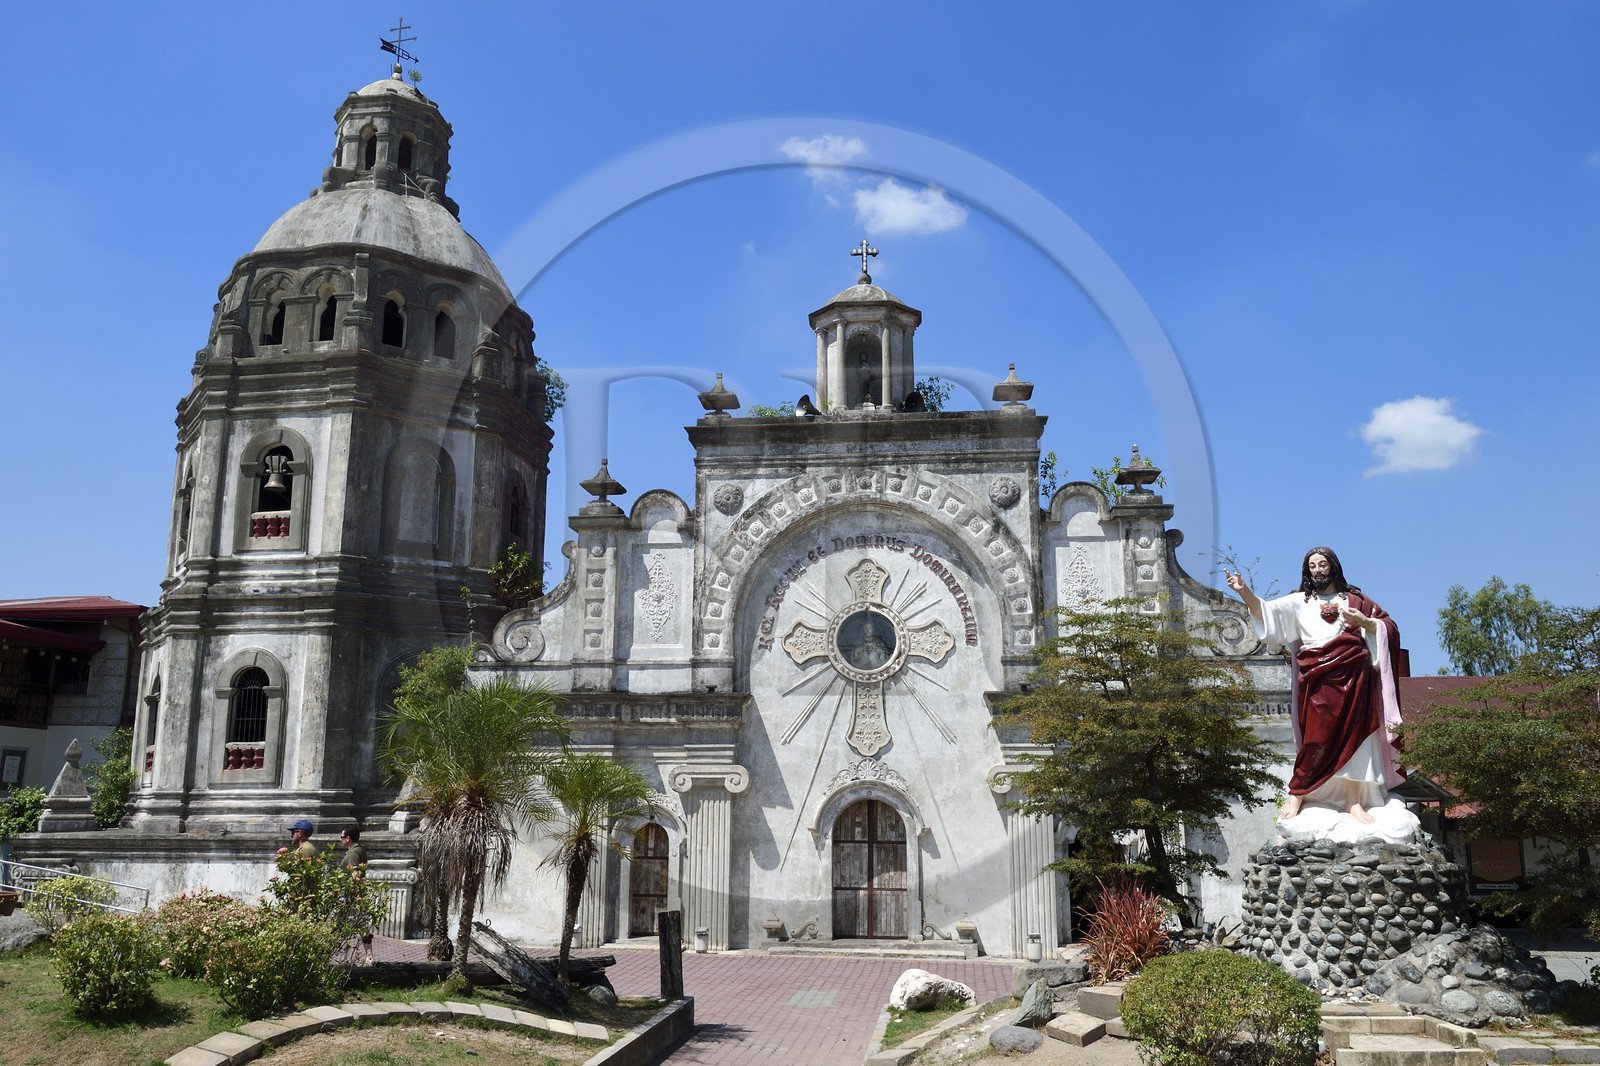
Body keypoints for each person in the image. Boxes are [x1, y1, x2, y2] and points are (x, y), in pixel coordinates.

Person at [1225, 547, 1404, 825]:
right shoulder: (1300, 602)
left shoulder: (1354, 599)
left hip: (1355, 678)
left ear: (1333, 566)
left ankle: (1353, 801)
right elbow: (1267, 613)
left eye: (1323, 564)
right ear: (1307, 571)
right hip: (1318, 679)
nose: (1318, 570)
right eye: (1313, 566)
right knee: (1315, 739)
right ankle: (1299, 792)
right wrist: (1243, 591)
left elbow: (1387, 626)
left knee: (1356, 741)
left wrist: (1365, 622)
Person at [340, 825, 375, 963]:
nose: (340, 840)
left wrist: (356, 894)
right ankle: (369, 956)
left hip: (351, 893)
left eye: (342, 837)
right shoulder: (359, 849)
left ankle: (349, 957)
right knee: (361, 925)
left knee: (345, 925)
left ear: (348, 838)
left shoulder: (353, 853)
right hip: (354, 892)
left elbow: (355, 874)